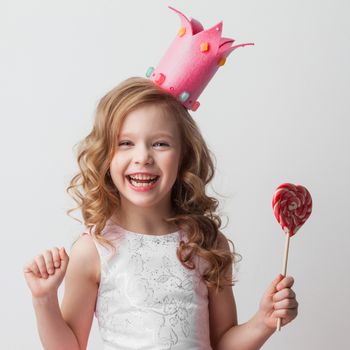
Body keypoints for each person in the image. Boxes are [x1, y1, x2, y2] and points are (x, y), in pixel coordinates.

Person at [23, 77, 298, 350]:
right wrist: (43, 300)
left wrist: (263, 320)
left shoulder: (206, 243)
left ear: (184, 156)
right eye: (125, 143)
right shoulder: (94, 250)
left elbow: (223, 343)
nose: (143, 157)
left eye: (160, 144)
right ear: (105, 156)